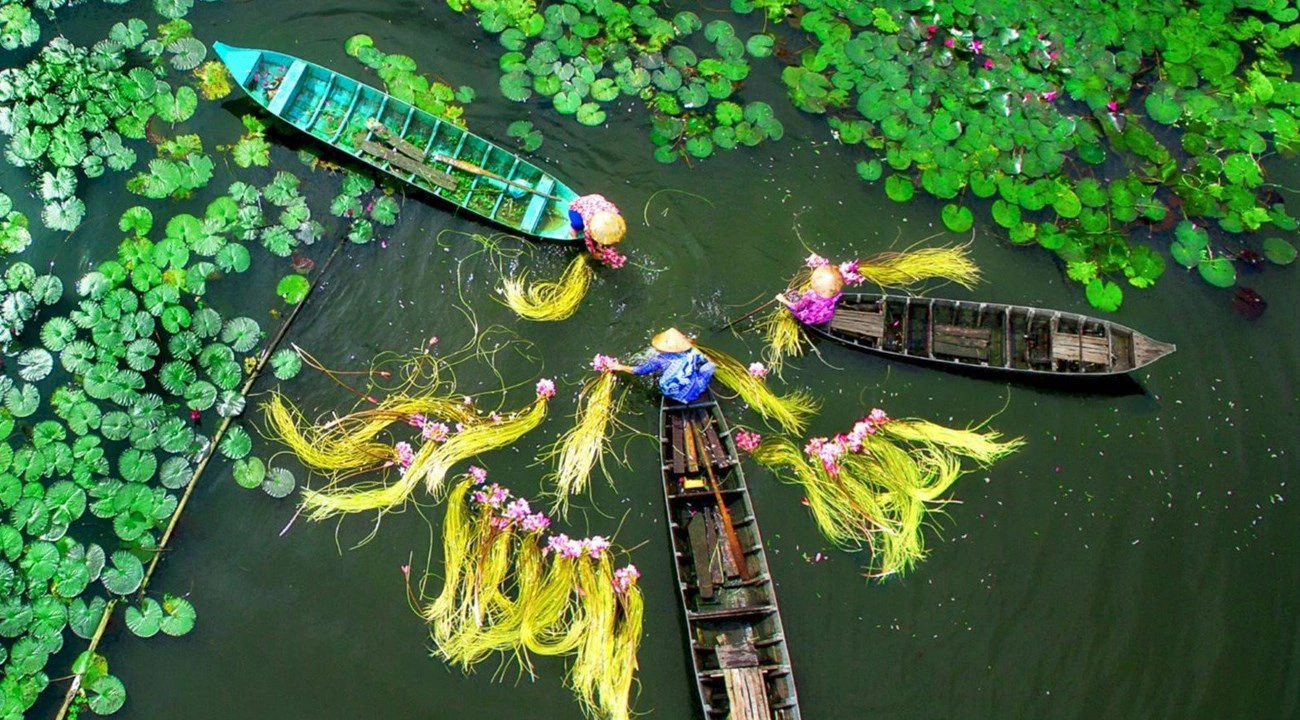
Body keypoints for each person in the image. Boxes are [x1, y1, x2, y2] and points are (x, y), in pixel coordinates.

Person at [610, 328, 715, 404]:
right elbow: (705, 360)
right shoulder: (693, 352)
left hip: (669, 393)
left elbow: (639, 370)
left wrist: (619, 367)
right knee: (710, 366)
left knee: (658, 373)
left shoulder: (659, 359)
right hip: (693, 394)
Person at [568, 194, 627, 268]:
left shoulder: (615, 216)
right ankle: (573, 229)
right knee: (577, 224)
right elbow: (588, 242)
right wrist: (594, 253)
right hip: (578, 207)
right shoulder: (589, 225)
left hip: (597, 201)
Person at [775, 263, 844, 325]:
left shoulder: (810, 297)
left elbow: (796, 307)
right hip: (826, 315)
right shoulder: (835, 293)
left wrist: (783, 300)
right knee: (796, 295)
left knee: (794, 304)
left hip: (812, 317)